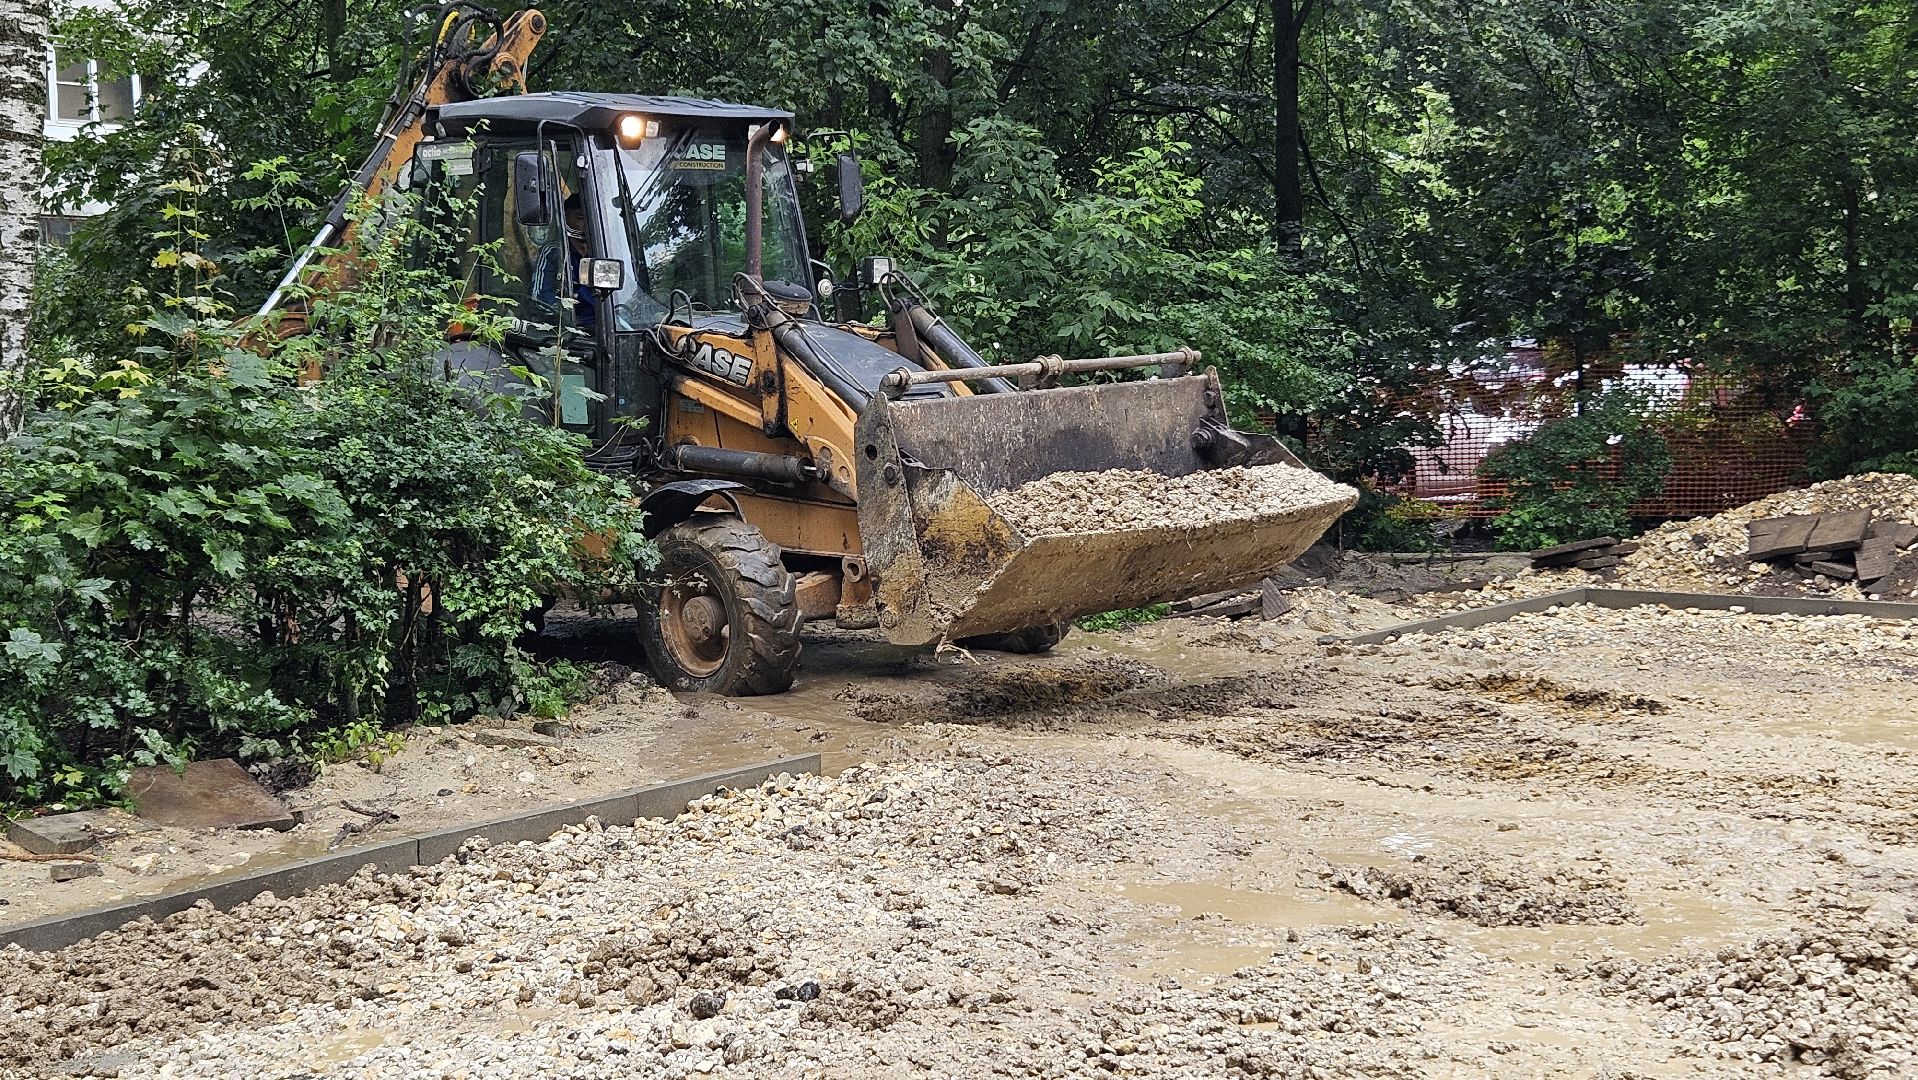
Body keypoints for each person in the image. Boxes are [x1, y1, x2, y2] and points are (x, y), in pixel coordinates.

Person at [533, 192, 598, 331]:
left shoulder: (602, 253)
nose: (586, 224)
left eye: (590, 219)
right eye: (580, 218)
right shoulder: (553, 252)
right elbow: (539, 297)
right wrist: (566, 310)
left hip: (602, 325)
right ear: (565, 218)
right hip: (568, 329)